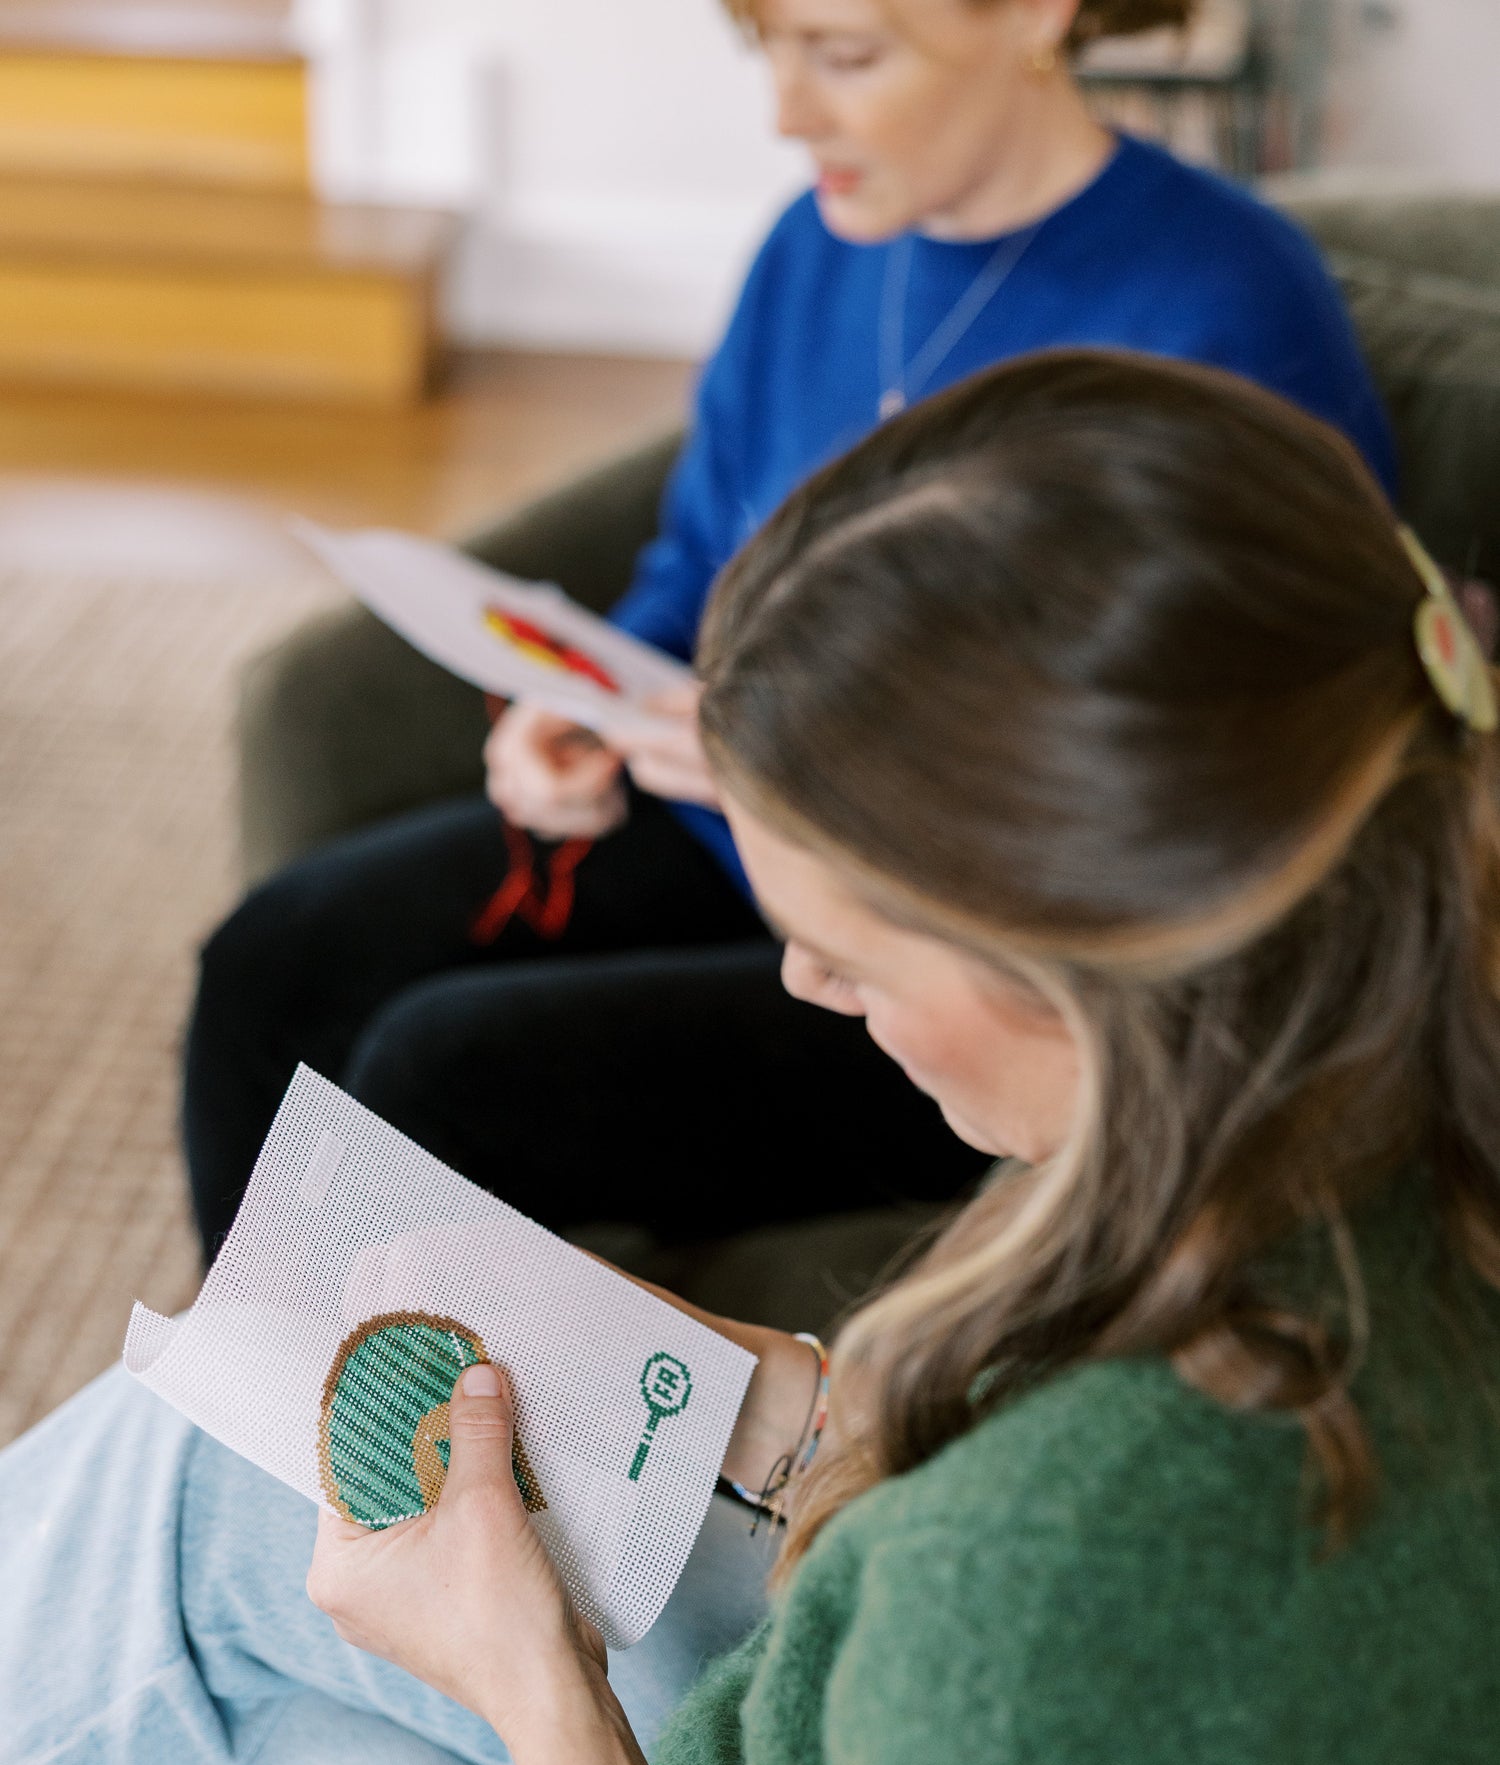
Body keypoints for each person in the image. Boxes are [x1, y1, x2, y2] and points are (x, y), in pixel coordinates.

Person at [3, 352, 1497, 1765]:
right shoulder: (1389, 1141)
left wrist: (539, 1689)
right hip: (825, 1725)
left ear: (1076, 967)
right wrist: (776, 1399)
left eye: (850, 947)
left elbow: (1047, 1602)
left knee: (199, 1538)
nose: (802, 979)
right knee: (252, 1729)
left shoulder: (1043, 1583)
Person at [183, 0, 1398, 1263]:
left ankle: (370, 1432)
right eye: (768, 47)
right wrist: (590, 699)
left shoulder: (1225, 312)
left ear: (1038, 16)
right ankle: (250, 1408)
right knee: (278, 959)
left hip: (961, 967)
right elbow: (705, 551)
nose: (785, 112)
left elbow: (1217, 787)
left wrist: (806, 770)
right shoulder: (816, 245)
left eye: (846, 55)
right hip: (731, 836)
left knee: (442, 1070)